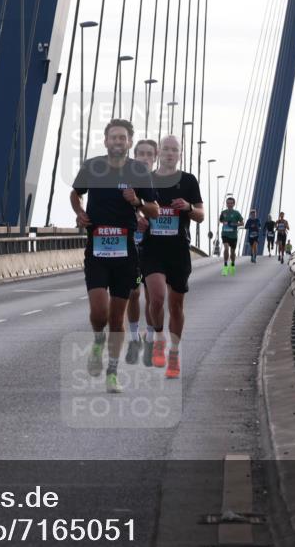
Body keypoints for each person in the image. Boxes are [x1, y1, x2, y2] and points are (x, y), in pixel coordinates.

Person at [70, 119, 159, 393]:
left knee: (117, 319)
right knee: (99, 312)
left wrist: (137, 203)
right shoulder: (92, 167)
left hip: (125, 253)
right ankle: (98, 343)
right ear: (106, 140)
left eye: (123, 138)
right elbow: (76, 194)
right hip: (96, 250)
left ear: (130, 142)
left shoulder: (138, 171)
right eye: (113, 137)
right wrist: (79, 212)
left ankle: (112, 372)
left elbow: (154, 210)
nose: (118, 142)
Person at [140, 135, 204, 379]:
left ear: (180, 154)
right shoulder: (147, 179)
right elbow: (135, 207)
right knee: (156, 297)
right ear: (158, 153)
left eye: (173, 150)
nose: (169, 153)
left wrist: (188, 207)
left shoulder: (188, 181)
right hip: (152, 249)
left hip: (178, 250)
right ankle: (158, 338)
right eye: (165, 149)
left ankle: (174, 354)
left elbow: (201, 215)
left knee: (176, 306)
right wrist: (140, 220)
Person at [126, 138, 158, 366]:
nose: (145, 159)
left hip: (156, 248)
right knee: (133, 293)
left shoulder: (161, 182)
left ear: (155, 158)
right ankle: (134, 336)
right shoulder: (125, 181)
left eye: (150, 155)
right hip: (132, 246)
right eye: (141, 154)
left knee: (153, 296)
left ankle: (151, 338)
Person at [218, 197, 243, 276]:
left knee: (232, 253)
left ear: (233, 204)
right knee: (226, 248)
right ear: (226, 204)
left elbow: (242, 223)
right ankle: (225, 266)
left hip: (233, 235)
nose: (229, 204)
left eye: (231, 203)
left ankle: (232, 264)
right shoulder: (223, 212)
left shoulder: (236, 213)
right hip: (225, 234)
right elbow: (221, 220)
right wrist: (224, 222)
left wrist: (234, 224)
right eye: (228, 203)